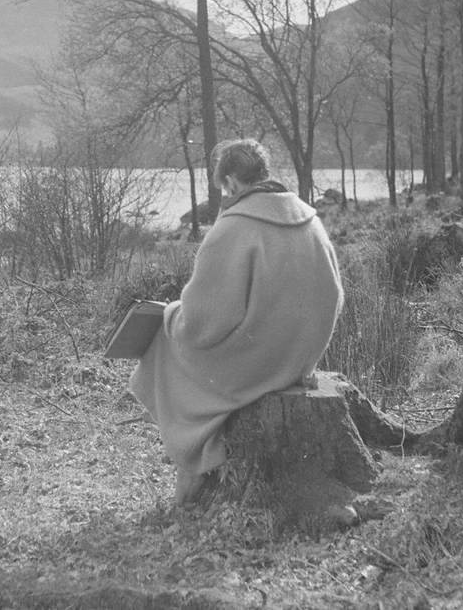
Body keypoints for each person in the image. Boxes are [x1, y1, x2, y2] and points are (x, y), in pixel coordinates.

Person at [130, 139, 344, 505]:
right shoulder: (309, 217)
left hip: (258, 363)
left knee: (162, 344)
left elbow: (200, 324)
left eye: (224, 188)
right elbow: (335, 295)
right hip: (300, 359)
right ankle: (201, 449)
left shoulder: (232, 229)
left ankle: (193, 456)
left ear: (231, 180)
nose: (225, 196)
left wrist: (171, 315)